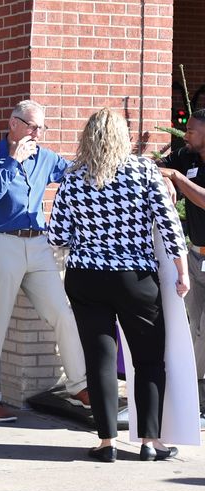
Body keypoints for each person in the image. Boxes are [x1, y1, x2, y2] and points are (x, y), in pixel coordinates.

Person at [48, 108, 188, 462]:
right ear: (124, 137)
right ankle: (151, 442)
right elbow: (169, 225)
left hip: (86, 277)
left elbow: (58, 235)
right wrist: (182, 271)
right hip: (135, 278)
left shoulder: (75, 175)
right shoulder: (144, 171)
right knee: (149, 359)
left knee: (99, 360)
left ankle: (107, 442)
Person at [0, 99, 89, 422]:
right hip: (0, 243)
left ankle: (80, 386)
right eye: (32, 126)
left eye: (42, 127)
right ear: (13, 123)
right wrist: (11, 162)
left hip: (38, 244)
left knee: (62, 313)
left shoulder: (46, 157)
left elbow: (76, 176)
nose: (37, 133)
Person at [158, 108, 205, 429]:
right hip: (194, 253)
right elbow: (152, 169)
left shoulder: (184, 169)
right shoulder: (185, 157)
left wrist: (176, 178)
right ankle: (194, 398)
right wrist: (165, 174)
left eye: (191, 130)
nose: (185, 134)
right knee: (194, 327)